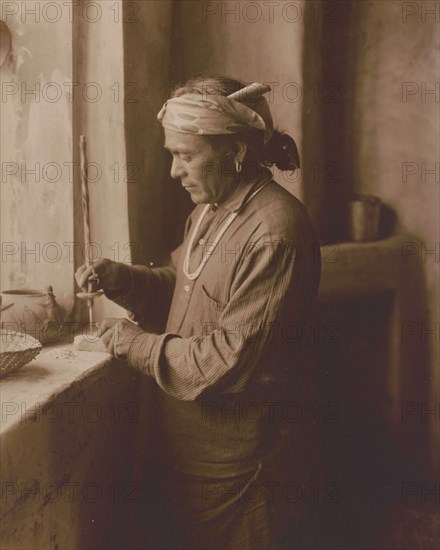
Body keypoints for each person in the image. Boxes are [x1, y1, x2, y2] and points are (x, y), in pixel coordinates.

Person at [76, 76, 321, 549]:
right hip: (188, 462)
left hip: (244, 475)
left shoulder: (275, 232)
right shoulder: (210, 210)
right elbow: (187, 293)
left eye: (185, 155)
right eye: (173, 154)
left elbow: (224, 360)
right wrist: (123, 279)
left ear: (233, 153)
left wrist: (132, 342)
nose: (174, 171)